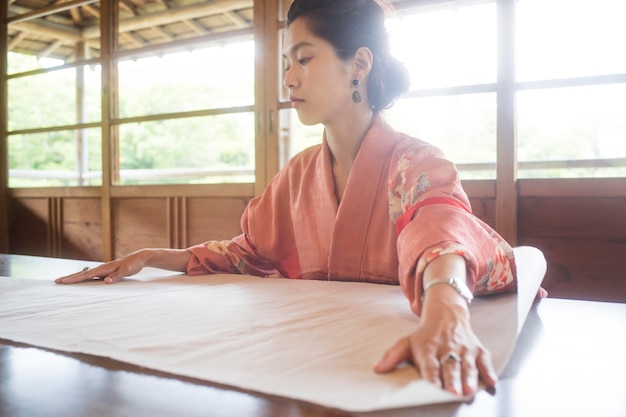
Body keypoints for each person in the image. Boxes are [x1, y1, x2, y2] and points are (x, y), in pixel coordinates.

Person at [56, 0, 525, 397]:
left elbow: (441, 233)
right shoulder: (299, 174)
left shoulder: (416, 164)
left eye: (304, 59)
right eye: (285, 63)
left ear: (359, 64)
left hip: (395, 375)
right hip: (315, 368)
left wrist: (446, 314)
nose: (289, 79)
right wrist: (154, 256)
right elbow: (250, 253)